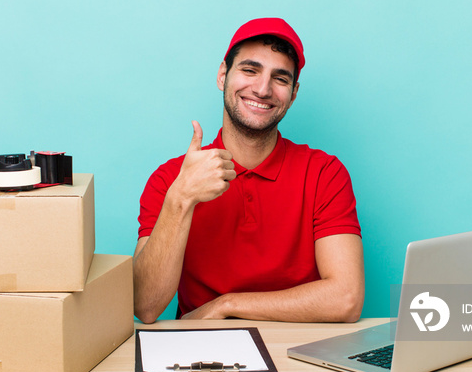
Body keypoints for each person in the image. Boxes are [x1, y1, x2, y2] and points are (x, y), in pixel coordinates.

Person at [134, 18, 363, 324]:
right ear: (222, 75)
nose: (263, 88)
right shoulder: (171, 179)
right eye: (249, 70)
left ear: (293, 94)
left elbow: (346, 299)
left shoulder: (324, 173)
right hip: (203, 352)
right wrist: (182, 198)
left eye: (280, 79)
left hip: (300, 350)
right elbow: (145, 306)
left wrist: (227, 305)